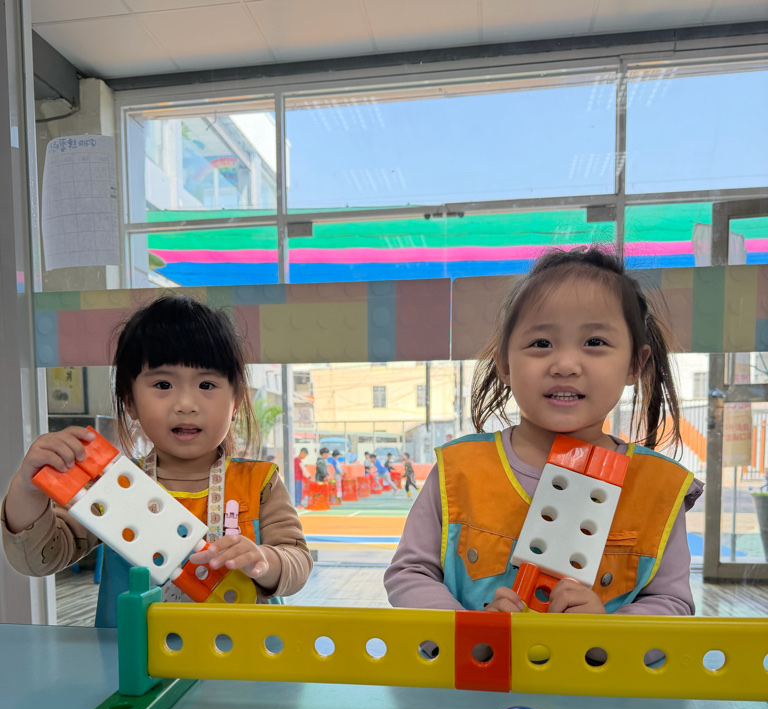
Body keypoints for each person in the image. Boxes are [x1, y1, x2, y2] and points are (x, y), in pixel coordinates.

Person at [385, 246, 701, 616]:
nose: (565, 364)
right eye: (541, 343)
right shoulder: (459, 469)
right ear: (504, 363)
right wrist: (469, 629)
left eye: (595, 342)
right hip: (473, 656)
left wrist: (609, 631)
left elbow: (671, 602)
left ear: (635, 364)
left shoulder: (659, 487)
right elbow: (411, 573)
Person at [2, 294, 313, 626]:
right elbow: (40, 559)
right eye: (163, 384)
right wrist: (28, 489)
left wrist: (264, 560)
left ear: (235, 402)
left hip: (241, 652)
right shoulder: (111, 486)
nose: (186, 404)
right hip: (135, 655)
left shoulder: (261, 482)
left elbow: (297, 563)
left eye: (207, 384)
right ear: (130, 401)